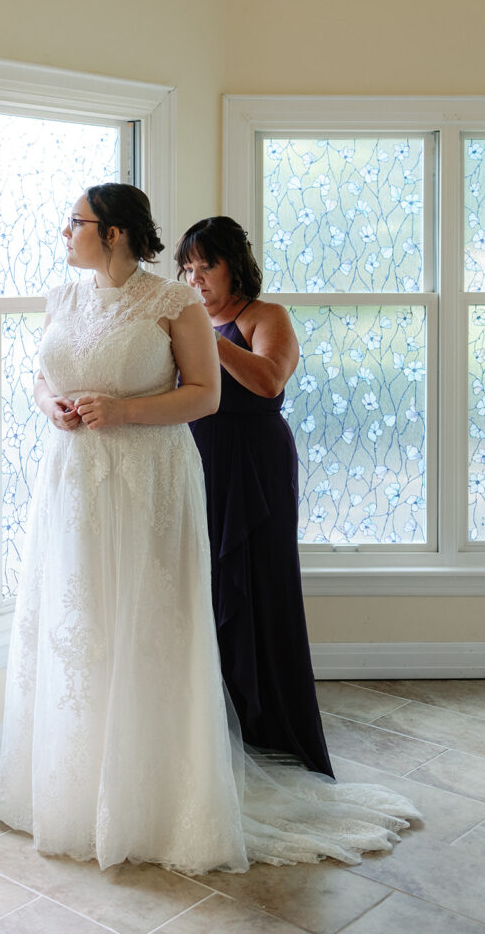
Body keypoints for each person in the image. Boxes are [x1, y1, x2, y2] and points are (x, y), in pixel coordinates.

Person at [0, 185, 419, 875]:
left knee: (153, 621)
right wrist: (54, 406)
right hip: (72, 482)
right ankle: (77, 783)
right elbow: (40, 376)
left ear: (115, 234)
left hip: (148, 479)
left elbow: (208, 394)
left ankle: (159, 789)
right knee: (81, 625)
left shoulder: (174, 304)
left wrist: (124, 412)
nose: (64, 231)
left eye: (76, 222)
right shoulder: (62, 297)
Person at [177, 216, 333, 777]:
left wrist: (206, 337)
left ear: (233, 265)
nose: (196, 279)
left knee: (260, 587)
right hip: (198, 463)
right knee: (207, 588)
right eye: (187, 269)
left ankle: (272, 728)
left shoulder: (267, 317)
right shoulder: (185, 317)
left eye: (206, 266)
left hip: (257, 464)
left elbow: (270, 379)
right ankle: (216, 727)